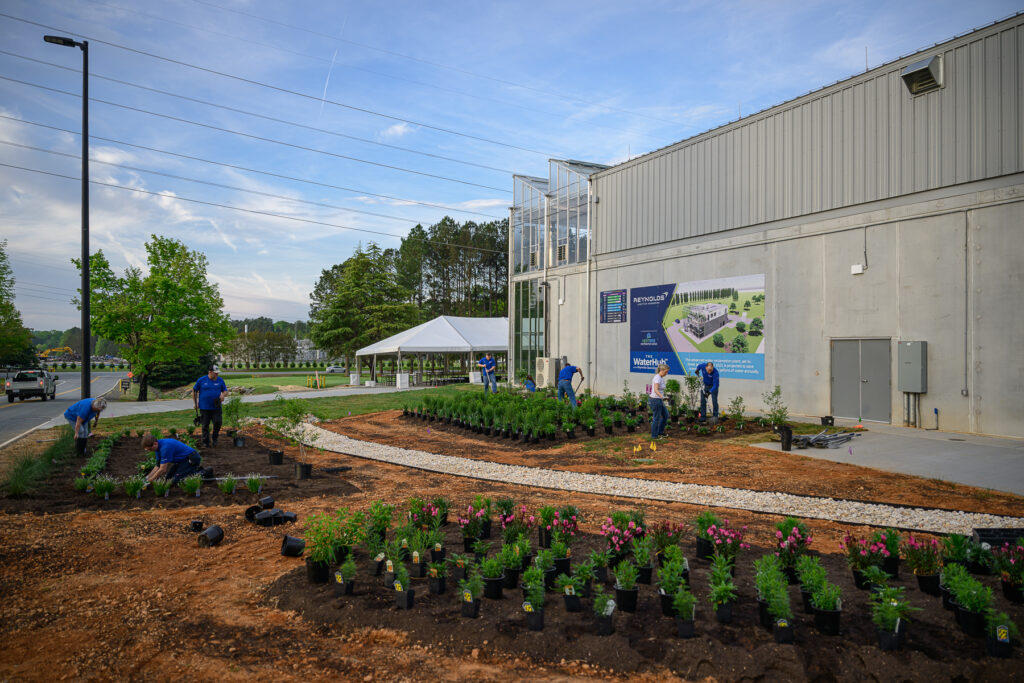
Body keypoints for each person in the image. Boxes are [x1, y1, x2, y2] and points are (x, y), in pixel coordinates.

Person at [193, 365, 227, 447]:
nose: (217, 375)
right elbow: (194, 391)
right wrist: (195, 403)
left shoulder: (220, 380)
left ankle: (215, 438)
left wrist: (223, 395)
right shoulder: (201, 380)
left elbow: (225, 390)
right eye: (215, 373)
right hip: (204, 407)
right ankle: (205, 442)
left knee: (218, 422)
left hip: (216, 406)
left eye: (217, 373)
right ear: (210, 372)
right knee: (205, 425)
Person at [649, 363, 670, 439]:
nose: (666, 373)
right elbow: (655, 389)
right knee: (656, 418)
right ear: (661, 370)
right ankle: (654, 436)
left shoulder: (660, 377)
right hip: (655, 400)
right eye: (666, 372)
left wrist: (664, 396)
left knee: (665, 416)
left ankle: (660, 432)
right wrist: (662, 397)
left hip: (659, 400)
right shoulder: (657, 378)